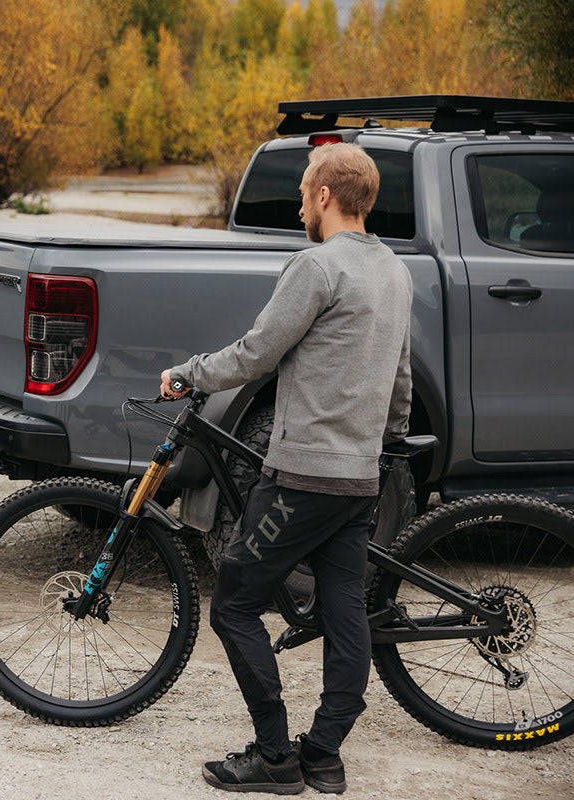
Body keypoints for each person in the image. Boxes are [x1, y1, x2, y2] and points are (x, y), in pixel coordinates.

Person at [160, 143, 412, 795]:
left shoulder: (316, 266)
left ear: (326, 196)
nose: (302, 203)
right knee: (343, 608)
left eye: (305, 192)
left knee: (235, 605)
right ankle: (324, 753)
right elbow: (401, 379)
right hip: (358, 478)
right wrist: (385, 449)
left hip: (301, 477)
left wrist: (187, 374)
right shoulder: (394, 271)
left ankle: (275, 758)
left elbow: (255, 354)